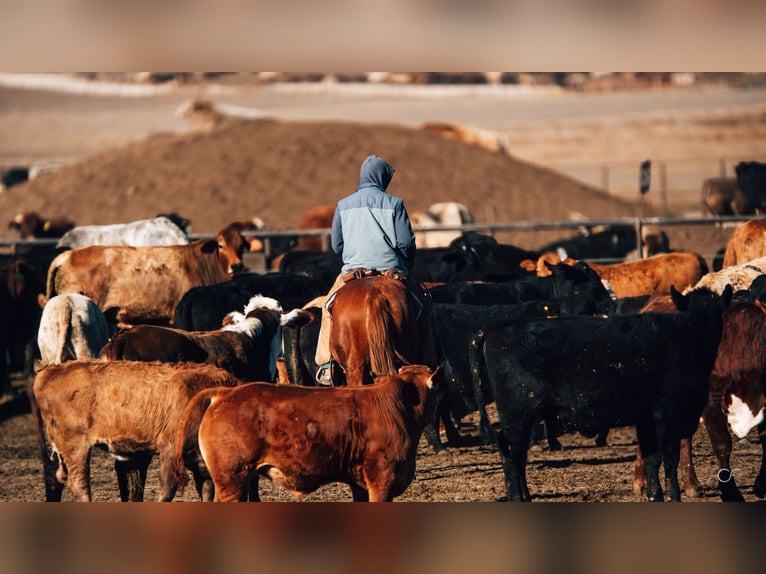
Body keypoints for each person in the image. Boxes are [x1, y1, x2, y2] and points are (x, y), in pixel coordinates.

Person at [314, 154, 438, 385]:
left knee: (328, 307)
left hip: (354, 272)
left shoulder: (343, 205)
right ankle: (430, 359)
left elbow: (336, 244)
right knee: (424, 307)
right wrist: (407, 264)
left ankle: (326, 364)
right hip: (391, 271)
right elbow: (405, 243)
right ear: (382, 178)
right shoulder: (395, 204)